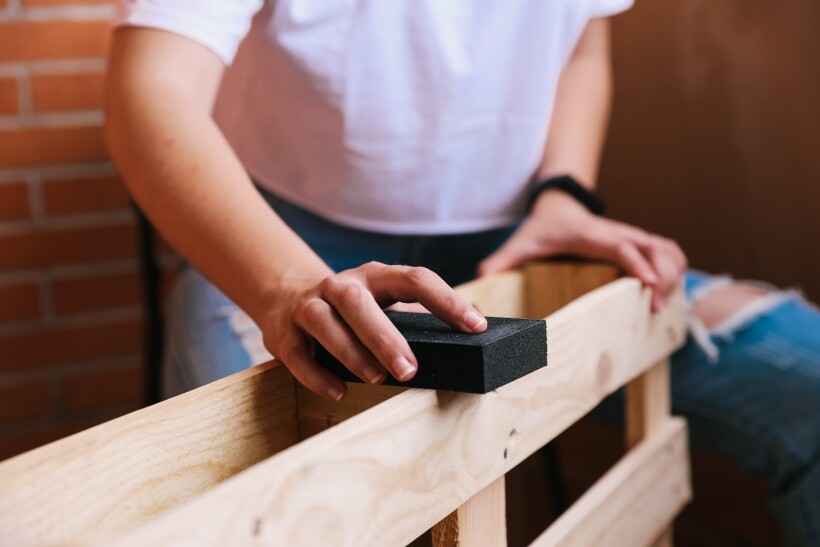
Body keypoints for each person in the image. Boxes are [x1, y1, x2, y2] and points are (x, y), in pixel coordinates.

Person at [104, 1, 820, 544]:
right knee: (250, 504)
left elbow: (581, 45)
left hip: (517, 243)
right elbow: (151, 87)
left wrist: (564, 194)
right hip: (284, 252)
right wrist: (285, 284)